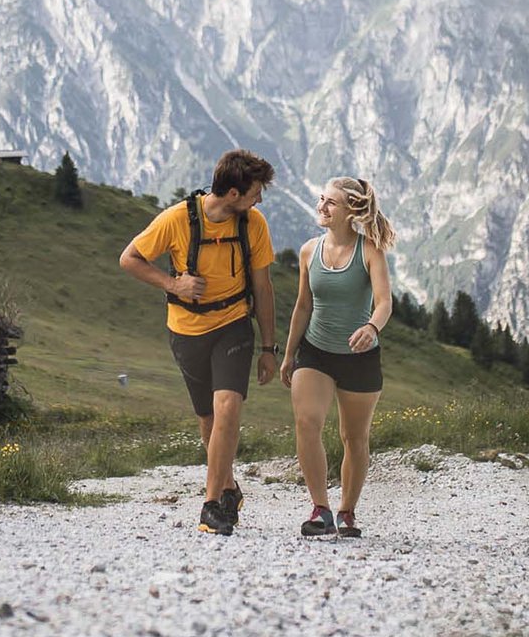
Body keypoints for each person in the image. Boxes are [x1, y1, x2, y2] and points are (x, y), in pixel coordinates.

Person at [120, 149, 280, 535]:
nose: (260, 199)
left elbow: (263, 286)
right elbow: (129, 258)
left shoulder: (253, 224)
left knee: (227, 407)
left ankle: (211, 507)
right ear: (232, 194)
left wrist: (269, 348)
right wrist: (174, 284)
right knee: (208, 422)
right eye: (255, 191)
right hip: (187, 331)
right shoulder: (176, 219)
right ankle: (227, 486)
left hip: (234, 325)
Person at [282, 176, 394, 538]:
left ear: (350, 212)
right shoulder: (308, 251)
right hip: (314, 351)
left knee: (354, 438)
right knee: (307, 423)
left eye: (330, 202)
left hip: (359, 357)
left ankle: (347, 511)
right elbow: (303, 306)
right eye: (321, 199)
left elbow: (384, 303)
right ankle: (321, 509)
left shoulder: (369, 251)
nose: (321, 207)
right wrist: (288, 355)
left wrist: (372, 329)